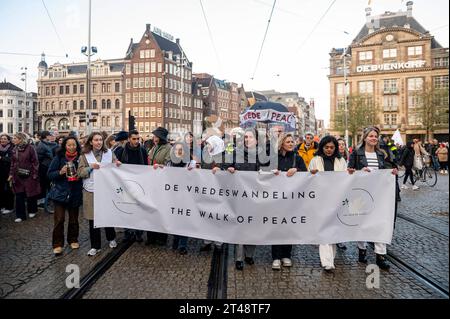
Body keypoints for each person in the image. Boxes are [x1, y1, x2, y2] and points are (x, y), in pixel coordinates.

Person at [347, 126, 398, 271]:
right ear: (365, 138)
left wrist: (392, 172)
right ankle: (362, 249)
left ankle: (380, 255)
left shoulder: (381, 154)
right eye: (371, 136)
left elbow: (386, 170)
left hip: (379, 194)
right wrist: (359, 171)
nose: (374, 138)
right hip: (361, 194)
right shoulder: (356, 153)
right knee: (361, 221)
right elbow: (348, 172)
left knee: (380, 223)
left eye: (376, 136)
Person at [78, 132, 121, 256]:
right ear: (91, 142)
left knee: (107, 215)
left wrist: (118, 164)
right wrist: (90, 168)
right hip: (91, 190)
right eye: (96, 140)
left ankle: (111, 238)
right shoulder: (85, 156)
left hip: (106, 189)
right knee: (93, 219)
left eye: (101, 140)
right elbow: (80, 172)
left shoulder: (109, 153)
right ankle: (95, 246)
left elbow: (115, 164)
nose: (99, 142)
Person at [309, 136, 347, 271]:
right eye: (326, 147)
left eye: (332, 147)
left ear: (335, 148)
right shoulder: (315, 160)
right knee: (323, 229)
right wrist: (311, 174)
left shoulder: (341, 161)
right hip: (320, 199)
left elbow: (346, 179)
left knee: (333, 229)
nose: (329, 150)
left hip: (336, 199)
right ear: (322, 148)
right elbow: (308, 179)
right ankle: (327, 261)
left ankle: (330, 258)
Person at [225, 129, 261, 270]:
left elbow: (267, 173)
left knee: (252, 225)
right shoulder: (236, 153)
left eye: (250, 137)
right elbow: (226, 166)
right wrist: (229, 168)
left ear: (257, 140)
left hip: (254, 196)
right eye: (245, 137)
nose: (247, 140)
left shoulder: (263, 155)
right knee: (240, 226)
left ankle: (249, 255)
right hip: (239, 196)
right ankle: (239, 258)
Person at [271, 133, 307, 270]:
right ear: (282, 143)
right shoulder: (274, 158)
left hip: (292, 198)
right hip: (276, 198)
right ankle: (275, 257)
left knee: (289, 225)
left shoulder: (297, 157)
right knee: (276, 226)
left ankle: (287, 255)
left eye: (292, 142)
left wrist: (296, 170)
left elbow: (305, 174)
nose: (291, 144)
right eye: (288, 142)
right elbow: (264, 172)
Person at [47, 136, 83, 255]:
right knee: (59, 219)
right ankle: (57, 244)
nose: (72, 147)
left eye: (74, 145)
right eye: (69, 145)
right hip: (60, 192)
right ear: (65, 146)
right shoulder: (59, 157)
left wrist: (81, 175)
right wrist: (60, 172)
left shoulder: (81, 158)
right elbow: (50, 174)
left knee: (74, 219)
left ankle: (73, 239)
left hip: (75, 192)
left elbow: (85, 172)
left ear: (77, 145)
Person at [114, 129, 148, 242]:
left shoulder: (143, 150)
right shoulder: (121, 151)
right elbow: (114, 166)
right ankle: (128, 233)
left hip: (139, 184)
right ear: (129, 139)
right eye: (134, 139)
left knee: (139, 209)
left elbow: (146, 167)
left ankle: (139, 233)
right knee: (127, 208)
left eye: (138, 139)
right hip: (125, 184)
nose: (136, 141)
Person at [166, 142, 195, 255]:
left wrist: (194, 172)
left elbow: (198, 178)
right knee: (175, 219)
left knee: (184, 219)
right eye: (176, 149)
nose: (178, 151)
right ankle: (176, 238)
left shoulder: (190, 163)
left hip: (186, 196)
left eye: (181, 149)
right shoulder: (169, 163)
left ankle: (182, 244)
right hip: (173, 196)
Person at [146, 127, 171, 246]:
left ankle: (162, 237)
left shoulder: (168, 148)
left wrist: (161, 166)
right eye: (154, 136)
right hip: (151, 181)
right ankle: (151, 236)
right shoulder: (154, 147)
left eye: (156, 136)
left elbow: (169, 164)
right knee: (150, 210)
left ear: (161, 138)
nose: (154, 138)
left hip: (162, 182)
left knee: (161, 210)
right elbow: (149, 159)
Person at [9, 133, 41, 223]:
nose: (13, 139)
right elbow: (13, 163)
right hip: (17, 175)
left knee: (31, 194)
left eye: (15, 138)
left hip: (29, 174)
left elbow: (35, 161)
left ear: (21, 139)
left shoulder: (30, 148)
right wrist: (11, 174)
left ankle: (32, 210)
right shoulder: (14, 149)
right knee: (19, 195)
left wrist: (35, 174)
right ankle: (20, 215)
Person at [36, 131, 56, 213]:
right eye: (50, 135)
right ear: (46, 136)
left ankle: (45, 200)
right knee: (43, 184)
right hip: (43, 167)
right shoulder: (42, 145)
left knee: (46, 184)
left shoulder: (46, 144)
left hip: (46, 167)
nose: (51, 137)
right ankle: (41, 202)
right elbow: (39, 158)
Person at [0, 134, 14, 215]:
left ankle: (10, 207)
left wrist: (2, 158)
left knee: (9, 190)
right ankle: (2, 205)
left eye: (5, 139)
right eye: (1, 139)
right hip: (0, 173)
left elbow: (13, 160)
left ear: (8, 140)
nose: (3, 140)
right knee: (1, 190)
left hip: (9, 172)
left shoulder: (12, 148)